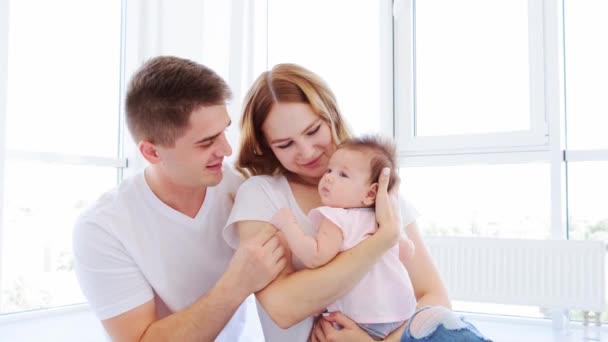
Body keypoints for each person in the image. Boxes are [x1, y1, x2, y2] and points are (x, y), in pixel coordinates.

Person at [223, 63, 492, 342]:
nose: (306, 151)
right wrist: (381, 239)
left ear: (331, 116)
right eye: (285, 144)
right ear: (267, 147)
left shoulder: (373, 187)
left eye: (313, 130)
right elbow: (283, 307)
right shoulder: (262, 195)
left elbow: (433, 298)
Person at [72, 56, 286, 341]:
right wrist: (238, 282)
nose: (226, 148)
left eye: (223, 130)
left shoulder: (241, 188)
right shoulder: (102, 228)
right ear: (151, 152)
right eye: (206, 142)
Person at [269, 134, 417, 340]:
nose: (329, 177)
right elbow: (407, 252)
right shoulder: (382, 221)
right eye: (330, 170)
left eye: (343, 175)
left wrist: (288, 224)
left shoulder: (336, 217)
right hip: (400, 316)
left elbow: (315, 257)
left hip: (358, 318)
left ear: (371, 194)